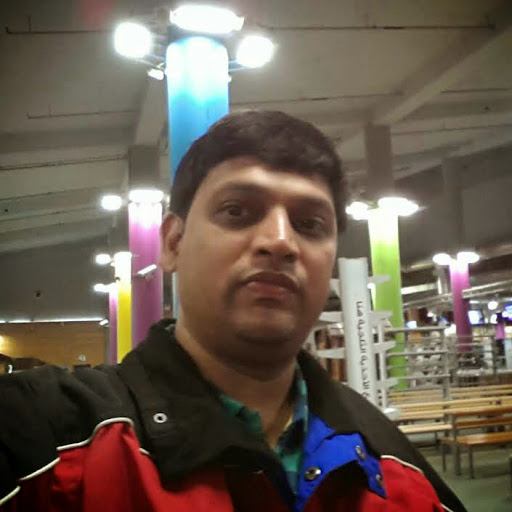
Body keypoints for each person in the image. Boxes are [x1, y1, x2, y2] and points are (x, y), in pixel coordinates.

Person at [0, 110, 466, 511]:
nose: (280, 241)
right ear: (173, 242)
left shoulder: (393, 466)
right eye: (238, 212)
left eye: (309, 224)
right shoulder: (47, 443)